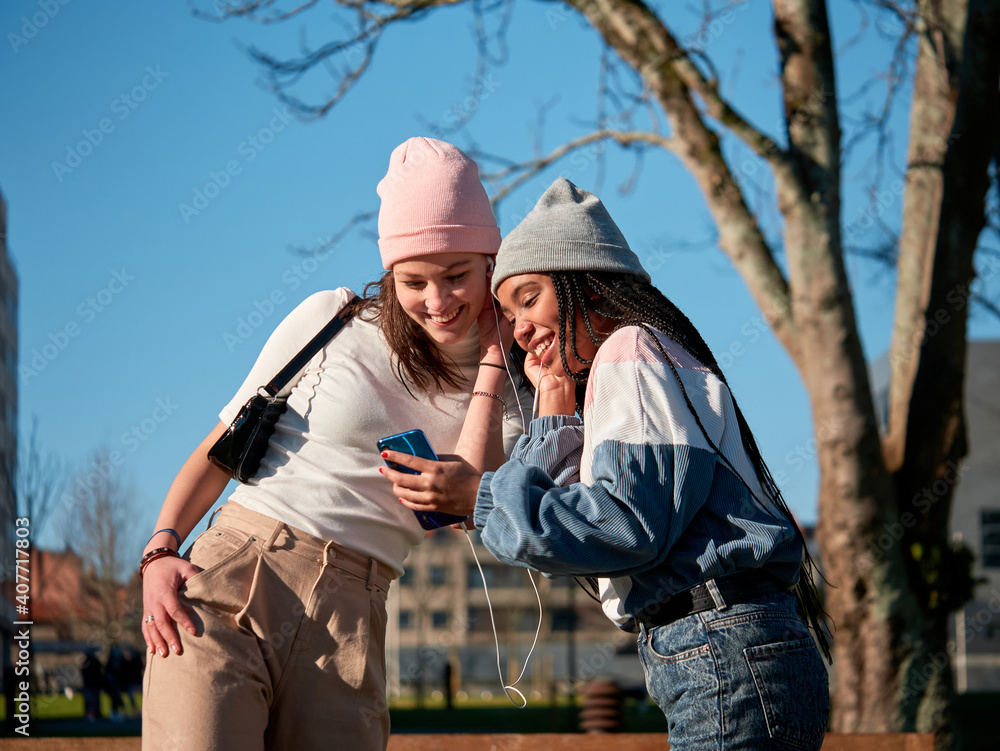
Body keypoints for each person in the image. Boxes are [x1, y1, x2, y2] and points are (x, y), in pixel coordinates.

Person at [386, 178, 831, 750]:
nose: (518, 329)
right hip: (721, 644)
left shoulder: (630, 351)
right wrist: (550, 420)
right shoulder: (625, 369)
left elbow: (623, 527)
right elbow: (571, 531)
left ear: (585, 286)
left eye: (529, 298)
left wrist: (480, 498)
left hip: (721, 644)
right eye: (507, 313)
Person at [139, 137, 526, 751]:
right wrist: (159, 552)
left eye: (457, 276)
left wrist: (491, 363)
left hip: (354, 613)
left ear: (491, 258)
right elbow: (219, 449)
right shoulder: (333, 319)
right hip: (239, 574)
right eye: (413, 280)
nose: (437, 301)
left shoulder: (519, 383)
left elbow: (463, 495)